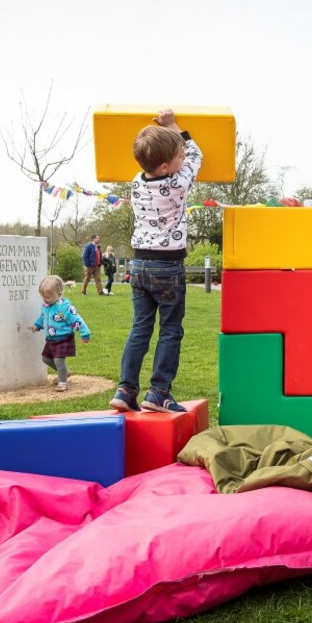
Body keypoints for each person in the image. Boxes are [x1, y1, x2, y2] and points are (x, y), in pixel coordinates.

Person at [112, 108, 202, 414]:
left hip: (138, 267)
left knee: (140, 328)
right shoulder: (177, 184)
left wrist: (159, 136)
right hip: (168, 267)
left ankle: (125, 389)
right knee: (171, 330)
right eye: (176, 157)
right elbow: (195, 154)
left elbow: (175, 156)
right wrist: (174, 126)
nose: (182, 158)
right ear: (166, 165)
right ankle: (159, 392)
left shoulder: (137, 182)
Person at [30, 275, 91, 392]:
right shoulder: (46, 306)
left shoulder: (65, 308)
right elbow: (43, 317)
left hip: (63, 338)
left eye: (47, 297)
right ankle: (65, 372)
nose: (44, 300)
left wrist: (85, 334)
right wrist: (37, 326)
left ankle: (62, 382)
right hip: (51, 339)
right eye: (43, 297)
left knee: (59, 360)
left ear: (58, 294)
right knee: (45, 359)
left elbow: (77, 320)